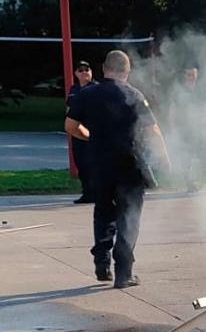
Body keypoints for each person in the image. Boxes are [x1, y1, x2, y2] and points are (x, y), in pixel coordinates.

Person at [65, 49, 169, 288]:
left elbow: (70, 125)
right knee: (129, 218)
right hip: (129, 165)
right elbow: (152, 130)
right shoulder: (134, 95)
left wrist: (89, 136)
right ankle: (124, 272)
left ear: (104, 68)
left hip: (99, 165)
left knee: (103, 212)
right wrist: (164, 157)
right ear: (127, 71)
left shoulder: (87, 94)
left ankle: (102, 263)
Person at [168, 65, 206, 192]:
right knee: (186, 156)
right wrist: (173, 126)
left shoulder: (201, 90)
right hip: (184, 129)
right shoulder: (180, 90)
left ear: (197, 74)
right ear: (185, 75)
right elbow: (173, 107)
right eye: (188, 74)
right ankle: (189, 184)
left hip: (198, 127)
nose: (191, 77)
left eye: (193, 74)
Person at [68, 60, 96, 205]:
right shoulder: (74, 90)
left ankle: (99, 192)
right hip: (78, 132)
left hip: (93, 132)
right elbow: (69, 108)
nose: (84, 72)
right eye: (81, 70)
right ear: (76, 73)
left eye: (87, 69)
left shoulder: (97, 88)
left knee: (95, 164)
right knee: (81, 164)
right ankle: (87, 193)